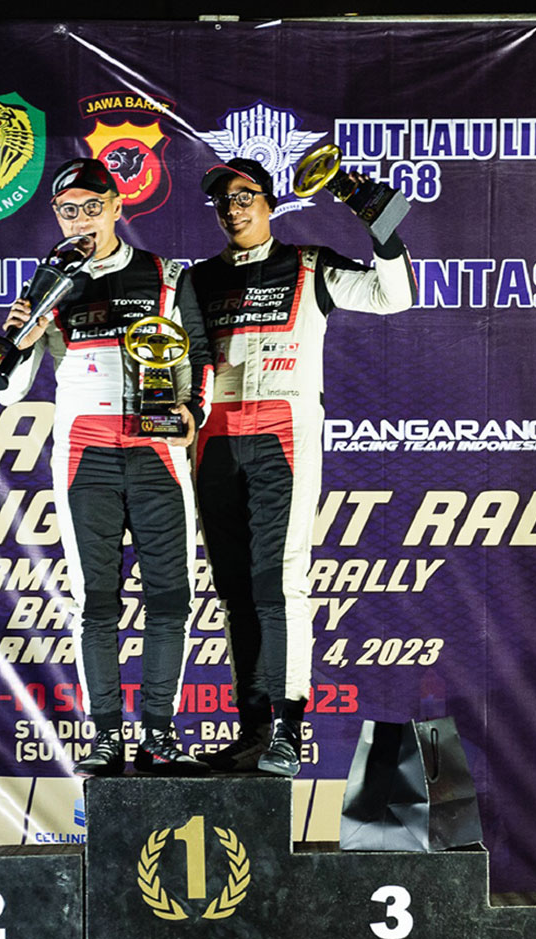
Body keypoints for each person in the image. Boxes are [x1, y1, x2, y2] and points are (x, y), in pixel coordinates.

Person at [188, 157, 415, 776]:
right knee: (235, 590)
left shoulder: (309, 264)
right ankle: (253, 733)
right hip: (212, 442)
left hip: (283, 438)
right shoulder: (199, 279)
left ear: (269, 203)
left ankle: (288, 730)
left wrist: (381, 229)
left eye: (244, 196)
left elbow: (393, 296)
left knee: (279, 582)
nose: (232, 208)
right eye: (222, 201)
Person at [0, 157, 213, 776]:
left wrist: (194, 411)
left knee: (171, 597)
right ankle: (107, 735)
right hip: (85, 456)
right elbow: (9, 393)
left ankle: (159, 732)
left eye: (93, 207)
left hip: (157, 452)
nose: (82, 221)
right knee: (96, 602)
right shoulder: (48, 285)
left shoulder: (167, 275)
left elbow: (198, 357)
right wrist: (20, 337)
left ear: (117, 206)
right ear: (57, 217)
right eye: (69, 212)